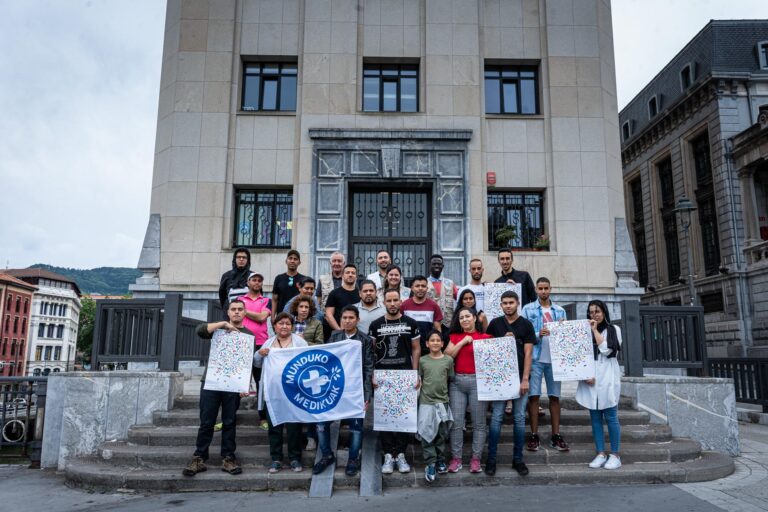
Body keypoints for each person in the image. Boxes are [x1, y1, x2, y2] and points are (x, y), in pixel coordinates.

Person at [183, 300, 253, 477]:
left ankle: (228, 458)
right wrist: (222, 324)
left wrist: (246, 384)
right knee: (207, 421)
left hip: (233, 385)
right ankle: (199, 457)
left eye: (240, 309)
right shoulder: (218, 330)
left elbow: (247, 363)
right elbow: (200, 330)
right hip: (212, 382)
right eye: (233, 309)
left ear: (245, 313)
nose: (237, 312)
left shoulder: (248, 334)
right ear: (228, 312)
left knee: (229, 422)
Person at [312, 305, 375, 477]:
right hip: (334, 389)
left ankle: (353, 459)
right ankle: (326, 455)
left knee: (356, 427)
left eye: (351, 318)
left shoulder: (365, 340)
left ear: (357, 319)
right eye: (344, 318)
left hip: (355, 390)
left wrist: (367, 394)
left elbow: (369, 367)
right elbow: (325, 362)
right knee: (322, 424)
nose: (347, 321)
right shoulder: (334, 336)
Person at [369, 288, 421, 474]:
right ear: (384, 302)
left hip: (405, 376)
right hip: (383, 376)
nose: (392, 303)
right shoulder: (376, 325)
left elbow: (416, 349)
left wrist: (415, 373)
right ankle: (388, 456)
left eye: (395, 300)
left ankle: (400, 453)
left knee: (403, 416)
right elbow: (372, 352)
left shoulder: (411, 323)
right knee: (385, 416)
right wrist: (373, 373)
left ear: (401, 301)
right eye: (389, 300)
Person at [485, 291, 536, 477]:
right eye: (504, 303)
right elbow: (487, 352)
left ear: (518, 303)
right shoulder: (495, 324)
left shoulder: (526, 325)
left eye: (511, 302)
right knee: (497, 417)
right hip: (500, 380)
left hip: (519, 378)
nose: (508, 305)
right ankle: (491, 460)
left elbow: (529, 354)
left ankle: (518, 459)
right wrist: (501, 341)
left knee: (519, 419)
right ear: (500, 305)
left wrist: (525, 379)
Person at [253, 312, 308, 473]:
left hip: (293, 393)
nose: (284, 326)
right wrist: (259, 353)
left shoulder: (300, 342)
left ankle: (295, 459)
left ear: (292, 326)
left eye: (288, 324)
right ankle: (276, 459)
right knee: (274, 427)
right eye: (281, 323)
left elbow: (307, 362)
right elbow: (256, 363)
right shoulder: (268, 343)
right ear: (275, 326)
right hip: (273, 393)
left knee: (294, 428)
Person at [521, 277, 570, 452]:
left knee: (554, 397)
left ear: (550, 289)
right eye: (540, 288)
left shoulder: (560, 311)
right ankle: (533, 435)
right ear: (535, 289)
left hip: (555, 360)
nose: (543, 291)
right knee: (533, 397)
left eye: (546, 288)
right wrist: (537, 333)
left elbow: (567, 337)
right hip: (535, 358)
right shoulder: (527, 309)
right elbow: (524, 334)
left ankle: (556, 435)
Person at [443, 306, 491, 474]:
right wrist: (463, 341)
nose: (464, 319)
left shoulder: (486, 338)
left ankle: (476, 459)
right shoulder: (454, 337)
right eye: (461, 317)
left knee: (479, 424)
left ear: (475, 318)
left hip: (478, 382)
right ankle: (456, 459)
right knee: (456, 423)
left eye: (467, 316)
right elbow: (447, 358)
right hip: (457, 382)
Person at [577, 300, 623, 470]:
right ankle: (600, 453)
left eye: (597, 311)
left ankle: (615, 455)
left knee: (611, 416)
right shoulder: (583, 332)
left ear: (604, 312)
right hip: (590, 379)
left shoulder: (614, 330)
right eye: (590, 312)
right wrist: (584, 374)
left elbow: (606, 350)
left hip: (607, 377)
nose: (593, 315)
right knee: (595, 417)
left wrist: (595, 330)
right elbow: (579, 355)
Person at [418, 330, 454, 483]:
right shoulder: (422, 361)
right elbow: (419, 379)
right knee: (427, 434)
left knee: (440, 434)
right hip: (426, 403)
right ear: (427, 344)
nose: (435, 343)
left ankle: (440, 460)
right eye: (432, 340)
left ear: (442, 343)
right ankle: (430, 463)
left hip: (442, 403)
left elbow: (450, 379)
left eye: (438, 340)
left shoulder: (448, 360)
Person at [401, 275, 443, 351]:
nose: (420, 288)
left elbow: (438, 330)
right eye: (417, 286)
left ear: (427, 288)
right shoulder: (404, 305)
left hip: (427, 348)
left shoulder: (434, 306)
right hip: (408, 348)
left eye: (423, 286)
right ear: (412, 288)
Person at [324, 264, 360, 332]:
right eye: (347, 272)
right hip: (338, 333)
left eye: (353, 273)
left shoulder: (360, 294)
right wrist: (340, 331)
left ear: (356, 277)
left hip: (357, 333)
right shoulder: (334, 293)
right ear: (343, 276)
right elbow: (329, 315)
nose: (350, 275)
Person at [426, 254, 459, 328]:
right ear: (430, 265)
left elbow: (460, 299)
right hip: (430, 323)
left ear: (443, 266)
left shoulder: (450, 283)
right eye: (434, 264)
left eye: (439, 264)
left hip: (447, 324)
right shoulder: (424, 283)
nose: (436, 266)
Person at [272, 250, 305, 318]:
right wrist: (272, 317)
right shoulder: (279, 278)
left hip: (298, 318)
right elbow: (274, 299)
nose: (292, 261)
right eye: (290, 258)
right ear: (286, 261)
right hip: (281, 317)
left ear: (299, 262)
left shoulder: (304, 279)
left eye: (295, 259)